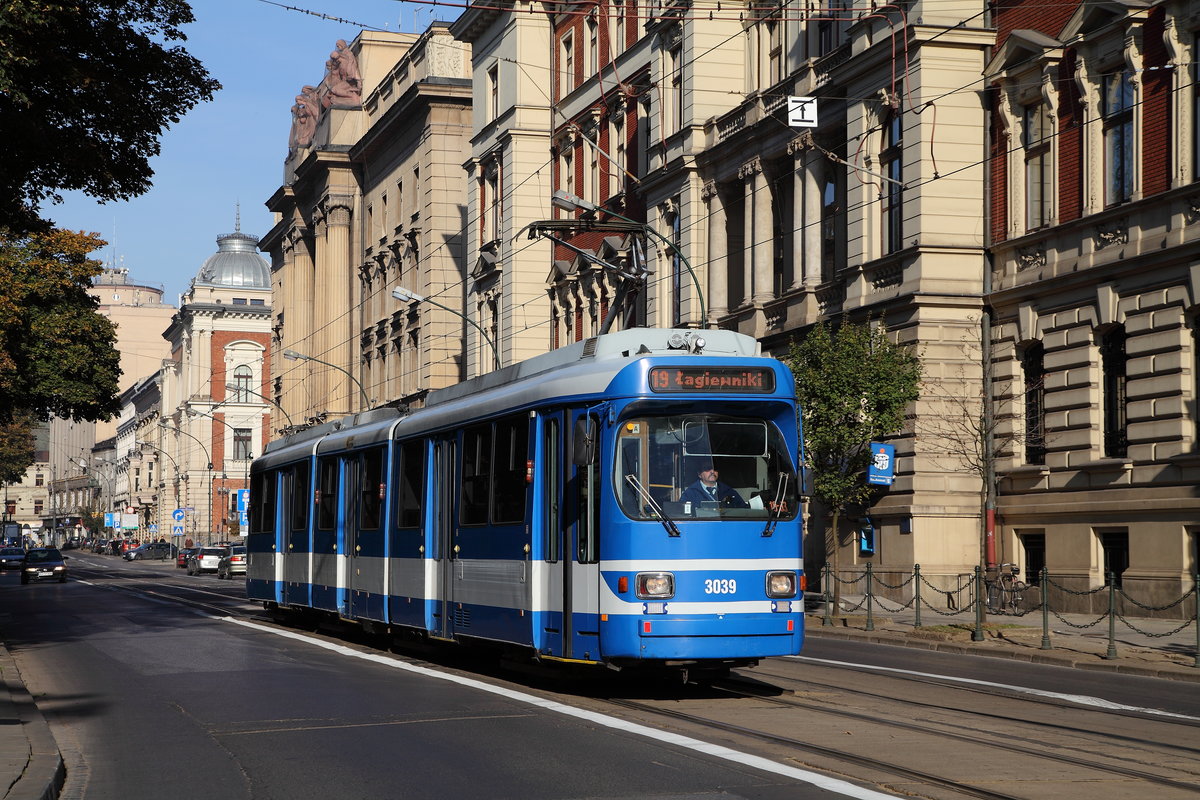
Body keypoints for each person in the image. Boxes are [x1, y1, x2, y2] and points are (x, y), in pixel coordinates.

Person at [679, 462, 749, 508]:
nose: (712, 472)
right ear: (699, 474)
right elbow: (681, 513)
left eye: (715, 469)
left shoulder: (729, 491)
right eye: (707, 469)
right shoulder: (690, 493)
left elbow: (744, 510)